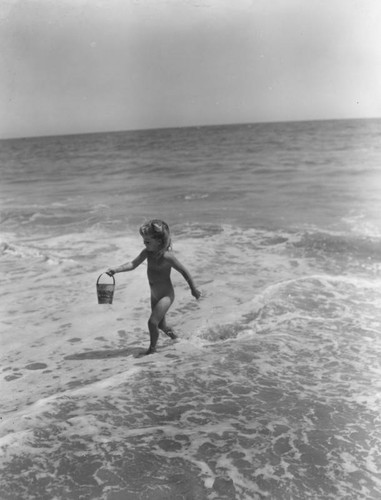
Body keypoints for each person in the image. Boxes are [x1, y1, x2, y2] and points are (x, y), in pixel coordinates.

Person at [106, 219, 201, 355]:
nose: (145, 243)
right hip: (154, 295)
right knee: (162, 325)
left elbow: (184, 271)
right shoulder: (147, 253)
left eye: (148, 241)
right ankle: (178, 339)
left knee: (152, 323)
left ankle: (152, 349)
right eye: (144, 241)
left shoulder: (168, 257)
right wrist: (116, 270)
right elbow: (133, 264)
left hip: (166, 296)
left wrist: (193, 289)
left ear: (159, 241)